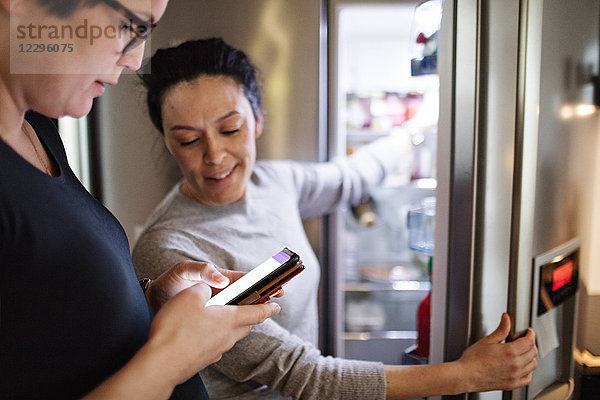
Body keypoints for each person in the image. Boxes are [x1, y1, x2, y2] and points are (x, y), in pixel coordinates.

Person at [133, 38, 538, 399]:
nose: (215, 155)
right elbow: (302, 373)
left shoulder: (273, 182)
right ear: (168, 141)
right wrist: (467, 375)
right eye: (188, 139)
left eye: (230, 129)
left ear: (256, 121)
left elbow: (352, 176)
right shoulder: (171, 250)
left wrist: (415, 129)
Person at [0, 3, 281, 399]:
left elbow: (46, 329)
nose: (135, 60)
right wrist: (173, 356)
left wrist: (149, 298)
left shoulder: (38, 127)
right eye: (128, 26)